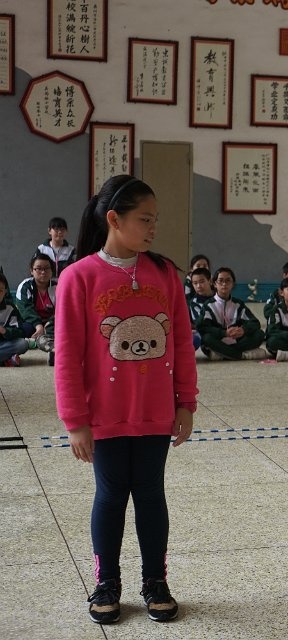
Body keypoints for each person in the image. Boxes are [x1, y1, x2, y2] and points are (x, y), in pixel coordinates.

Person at [55, 174, 197, 624]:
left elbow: (181, 342)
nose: (153, 228)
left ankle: (155, 581)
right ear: (114, 219)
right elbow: (67, 356)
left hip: (155, 412)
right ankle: (107, 582)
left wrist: (186, 402)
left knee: (151, 494)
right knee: (111, 495)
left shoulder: (165, 274)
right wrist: (75, 421)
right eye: (145, 219)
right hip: (105, 416)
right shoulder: (78, 277)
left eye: (156, 219)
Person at [197, 267, 268, 361]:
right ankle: (241, 355)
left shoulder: (238, 304)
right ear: (214, 284)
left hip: (236, 340)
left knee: (259, 334)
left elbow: (254, 322)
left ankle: (223, 353)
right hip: (218, 340)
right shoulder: (208, 305)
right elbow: (202, 327)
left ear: (233, 284)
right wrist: (224, 333)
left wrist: (243, 330)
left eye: (228, 281)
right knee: (206, 338)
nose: (224, 284)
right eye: (220, 281)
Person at [17, 254, 57, 364]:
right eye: (38, 268)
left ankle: (48, 345)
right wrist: (38, 325)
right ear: (32, 271)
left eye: (47, 268)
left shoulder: (59, 286)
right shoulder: (25, 286)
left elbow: (62, 309)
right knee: (23, 330)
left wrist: (49, 323)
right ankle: (42, 340)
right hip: (31, 323)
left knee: (63, 327)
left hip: (52, 323)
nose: (43, 272)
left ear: (52, 270)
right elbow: (25, 309)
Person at [0, 272, 29, 367]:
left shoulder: (10, 308)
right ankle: (5, 360)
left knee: (22, 344)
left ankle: (4, 360)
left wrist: (4, 331)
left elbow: (20, 332)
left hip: (3, 344)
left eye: (0, 291)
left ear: (5, 292)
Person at [187, 267, 215, 351]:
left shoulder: (220, 296)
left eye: (202, 282)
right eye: (195, 283)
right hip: (208, 332)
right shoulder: (194, 303)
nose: (198, 286)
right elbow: (201, 325)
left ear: (210, 281)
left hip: (226, 330)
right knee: (196, 339)